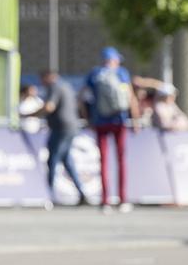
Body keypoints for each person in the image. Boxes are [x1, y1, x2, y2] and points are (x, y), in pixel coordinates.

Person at [82, 47, 139, 212]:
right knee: (121, 160)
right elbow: (130, 97)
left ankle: (105, 201)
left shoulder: (94, 74)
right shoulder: (122, 73)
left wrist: (89, 119)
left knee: (103, 161)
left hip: (100, 121)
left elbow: (82, 98)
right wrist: (135, 120)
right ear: (115, 60)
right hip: (119, 121)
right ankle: (122, 199)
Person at [41, 70, 87, 204]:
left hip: (61, 128)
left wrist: (31, 114)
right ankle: (81, 192)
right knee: (66, 161)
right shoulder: (67, 86)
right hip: (71, 127)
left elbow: (49, 107)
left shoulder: (54, 86)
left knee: (53, 159)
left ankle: (49, 194)